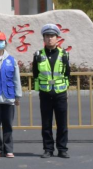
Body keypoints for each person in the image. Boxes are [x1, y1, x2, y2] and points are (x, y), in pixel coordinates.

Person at [33, 24, 71, 159]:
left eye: (52, 36)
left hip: (60, 93)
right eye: (47, 36)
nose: (50, 38)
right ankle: (48, 149)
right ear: (44, 38)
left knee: (62, 123)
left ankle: (62, 149)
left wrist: (64, 89)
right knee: (46, 123)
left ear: (57, 38)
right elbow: (35, 73)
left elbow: (67, 73)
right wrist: (39, 90)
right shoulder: (38, 55)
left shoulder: (64, 54)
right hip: (45, 93)